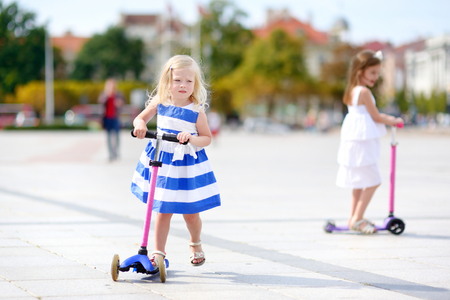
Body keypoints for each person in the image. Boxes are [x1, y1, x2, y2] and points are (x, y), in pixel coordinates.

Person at [131, 55, 221, 267]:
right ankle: (158, 253)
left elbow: (207, 138)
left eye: (189, 81)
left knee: (190, 214)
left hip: (186, 165)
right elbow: (139, 118)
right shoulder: (160, 102)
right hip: (162, 162)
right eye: (178, 80)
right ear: (167, 82)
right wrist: (140, 125)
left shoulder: (196, 111)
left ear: (195, 84)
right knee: (163, 210)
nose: (183, 85)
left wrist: (191, 138)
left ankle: (195, 242)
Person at [336, 50, 403, 234]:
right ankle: (357, 218)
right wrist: (394, 120)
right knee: (373, 180)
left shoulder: (351, 91)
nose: (376, 77)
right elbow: (375, 116)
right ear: (360, 71)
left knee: (358, 182)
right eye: (373, 73)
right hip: (361, 144)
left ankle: (353, 217)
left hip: (353, 142)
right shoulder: (364, 92)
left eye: (377, 73)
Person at [98, 79, 124, 161]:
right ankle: (110, 154)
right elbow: (100, 102)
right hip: (107, 118)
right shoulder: (104, 94)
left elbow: (122, 103)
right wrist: (106, 96)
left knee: (116, 136)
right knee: (108, 136)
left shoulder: (118, 95)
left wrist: (119, 103)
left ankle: (116, 153)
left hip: (115, 118)